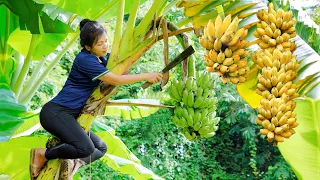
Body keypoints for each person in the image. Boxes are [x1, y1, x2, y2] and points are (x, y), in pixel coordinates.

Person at [30, 19, 163, 178]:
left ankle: (71, 163)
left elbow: (118, 74)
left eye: (106, 41)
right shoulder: (84, 59)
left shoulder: (102, 58)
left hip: (71, 116)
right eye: (100, 44)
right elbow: (115, 80)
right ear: (87, 47)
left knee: (100, 149)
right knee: (85, 148)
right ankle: (43, 154)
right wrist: (146, 75)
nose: (105, 46)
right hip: (57, 113)